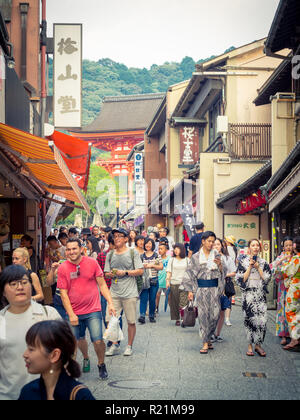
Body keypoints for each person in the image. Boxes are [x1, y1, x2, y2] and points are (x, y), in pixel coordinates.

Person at [57, 238, 116, 380]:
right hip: (73, 311)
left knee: (97, 340)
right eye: (69, 249)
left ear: (81, 249)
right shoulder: (63, 267)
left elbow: (102, 284)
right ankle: (73, 369)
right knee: (74, 343)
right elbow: (63, 293)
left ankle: (101, 364)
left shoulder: (92, 262)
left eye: (74, 249)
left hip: (93, 309)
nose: (71, 252)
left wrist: (110, 302)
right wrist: (71, 314)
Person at [0, 265, 61, 400]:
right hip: (8, 395)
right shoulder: (1, 321)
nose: (20, 287)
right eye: (13, 284)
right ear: (3, 291)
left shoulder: (48, 314)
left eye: (24, 282)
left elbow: (68, 351)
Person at [19, 320, 95, 400]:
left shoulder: (80, 395)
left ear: (54, 355)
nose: (25, 355)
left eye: (31, 349)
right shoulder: (27, 391)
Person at [182, 231, 224, 354]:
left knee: (215, 316)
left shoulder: (217, 255)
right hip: (201, 290)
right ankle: (205, 342)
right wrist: (190, 291)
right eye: (209, 241)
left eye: (213, 241)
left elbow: (223, 272)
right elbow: (189, 273)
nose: (211, 244)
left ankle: (209, 336)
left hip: (215, 289)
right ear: (203, 241)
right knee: (203, 316)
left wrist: (220, 265)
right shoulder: (195, 256)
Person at [104, 228, 144, 356]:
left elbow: (140, 270)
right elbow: (106, 273)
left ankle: (129, 346)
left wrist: (125, 272)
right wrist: (110, 274)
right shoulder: (110, 254)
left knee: (131, 321)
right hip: (114, 292)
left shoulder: (133, 253)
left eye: (120, 236)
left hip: (130, 293)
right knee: (110, 320)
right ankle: (115, 344)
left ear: (126, 239)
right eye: (115, 236)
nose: (117, 238)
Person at [236, 239, 272, 357]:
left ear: (260, 248)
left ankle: (258, 345)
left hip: (260, 294)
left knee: (262, 321)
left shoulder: (264, 262)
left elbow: (267, 279)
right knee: (249, 320)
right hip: (249, 295)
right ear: (249, 248)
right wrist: (250, 267)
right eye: (253, 245)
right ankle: (250, 346)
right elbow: (241, 279)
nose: (255, 247)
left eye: (257, 245)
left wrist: (258, 267)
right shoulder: (243, 262)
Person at [270, 236, 294, 345]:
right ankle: (283, 334)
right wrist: (281, 261)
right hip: (283, 287)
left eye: (290, 245)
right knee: (283, 309)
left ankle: (294, 335)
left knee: (294, 309)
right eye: (286, 245)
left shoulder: (296, 257)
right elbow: (272, 268)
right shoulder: (281, 257)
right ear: (283, 247)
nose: (288, 247)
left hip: (294, 287)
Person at [211, 238, 236, 342]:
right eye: (214, 244)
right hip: (212, 287)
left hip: (224, 287)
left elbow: (234, 272)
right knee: (212, 312)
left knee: (221, 311)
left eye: (218, 244)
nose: (216, 246)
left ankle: (217, 334)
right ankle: (211, 333)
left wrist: (224, 274)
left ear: (222, 246)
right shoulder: (209, 257)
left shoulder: (227, 258)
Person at [280, 236, 300, 351]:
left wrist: (284, 263)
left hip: (295, 287)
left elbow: (286, 271)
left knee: (291, 312)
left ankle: (294, 339)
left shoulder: (296, 258)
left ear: (296, 246)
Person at [139, 238, 163, 324]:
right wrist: (143, 266)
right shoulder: (141, 256)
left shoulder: (156, 255)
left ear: (153, 245)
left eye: (149, 243)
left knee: (152, 299)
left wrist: (151, 265)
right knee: (143, 298)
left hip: (154, 279)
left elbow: (161, 267)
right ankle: (142, 315)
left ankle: (151, 315)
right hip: (144, 279)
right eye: (146, 243)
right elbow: (138, 267)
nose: (148, 245)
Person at [166, 243, 189, 326]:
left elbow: (189, 272)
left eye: (177, 248)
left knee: (183, 302)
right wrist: (167, 281)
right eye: (174, 249)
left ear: (182, 249)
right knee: (174, 303)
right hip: (174, 283)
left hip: (184, 284)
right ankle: (177, 318)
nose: (175, 250)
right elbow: (169, 271)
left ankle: (183, 318)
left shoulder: (187, 260)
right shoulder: (171, 260)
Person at [156, 242, 170, 315]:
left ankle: (172, 309)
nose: (160, 250)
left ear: (166, 250)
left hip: (166, 280)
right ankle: (156, 308)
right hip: (159, 279)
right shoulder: (157, 258)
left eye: (161, 249)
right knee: (157, 295)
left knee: (168, 296)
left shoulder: (169, 258)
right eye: (159, 249)